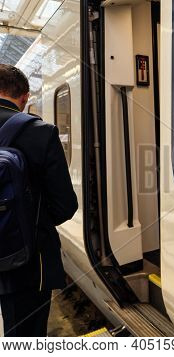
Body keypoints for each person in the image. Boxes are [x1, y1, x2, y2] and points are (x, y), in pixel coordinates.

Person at [0, 64, 78, 337]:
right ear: (24, 97)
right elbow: (65, 206)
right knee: (25, 332)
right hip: (29, 262)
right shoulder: (40, 131)